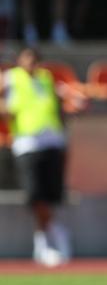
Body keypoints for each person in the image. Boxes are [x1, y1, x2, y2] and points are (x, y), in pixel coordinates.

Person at [0, 48, 84, 266]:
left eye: (34, 60)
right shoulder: (10, 78)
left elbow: (59, 101)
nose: (31, 64)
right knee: (35, 195)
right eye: (27, 60)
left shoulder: (46, 78)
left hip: (52, 140)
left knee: (50, 195)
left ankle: (42, 244)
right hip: (27, 142)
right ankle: (55, 233)